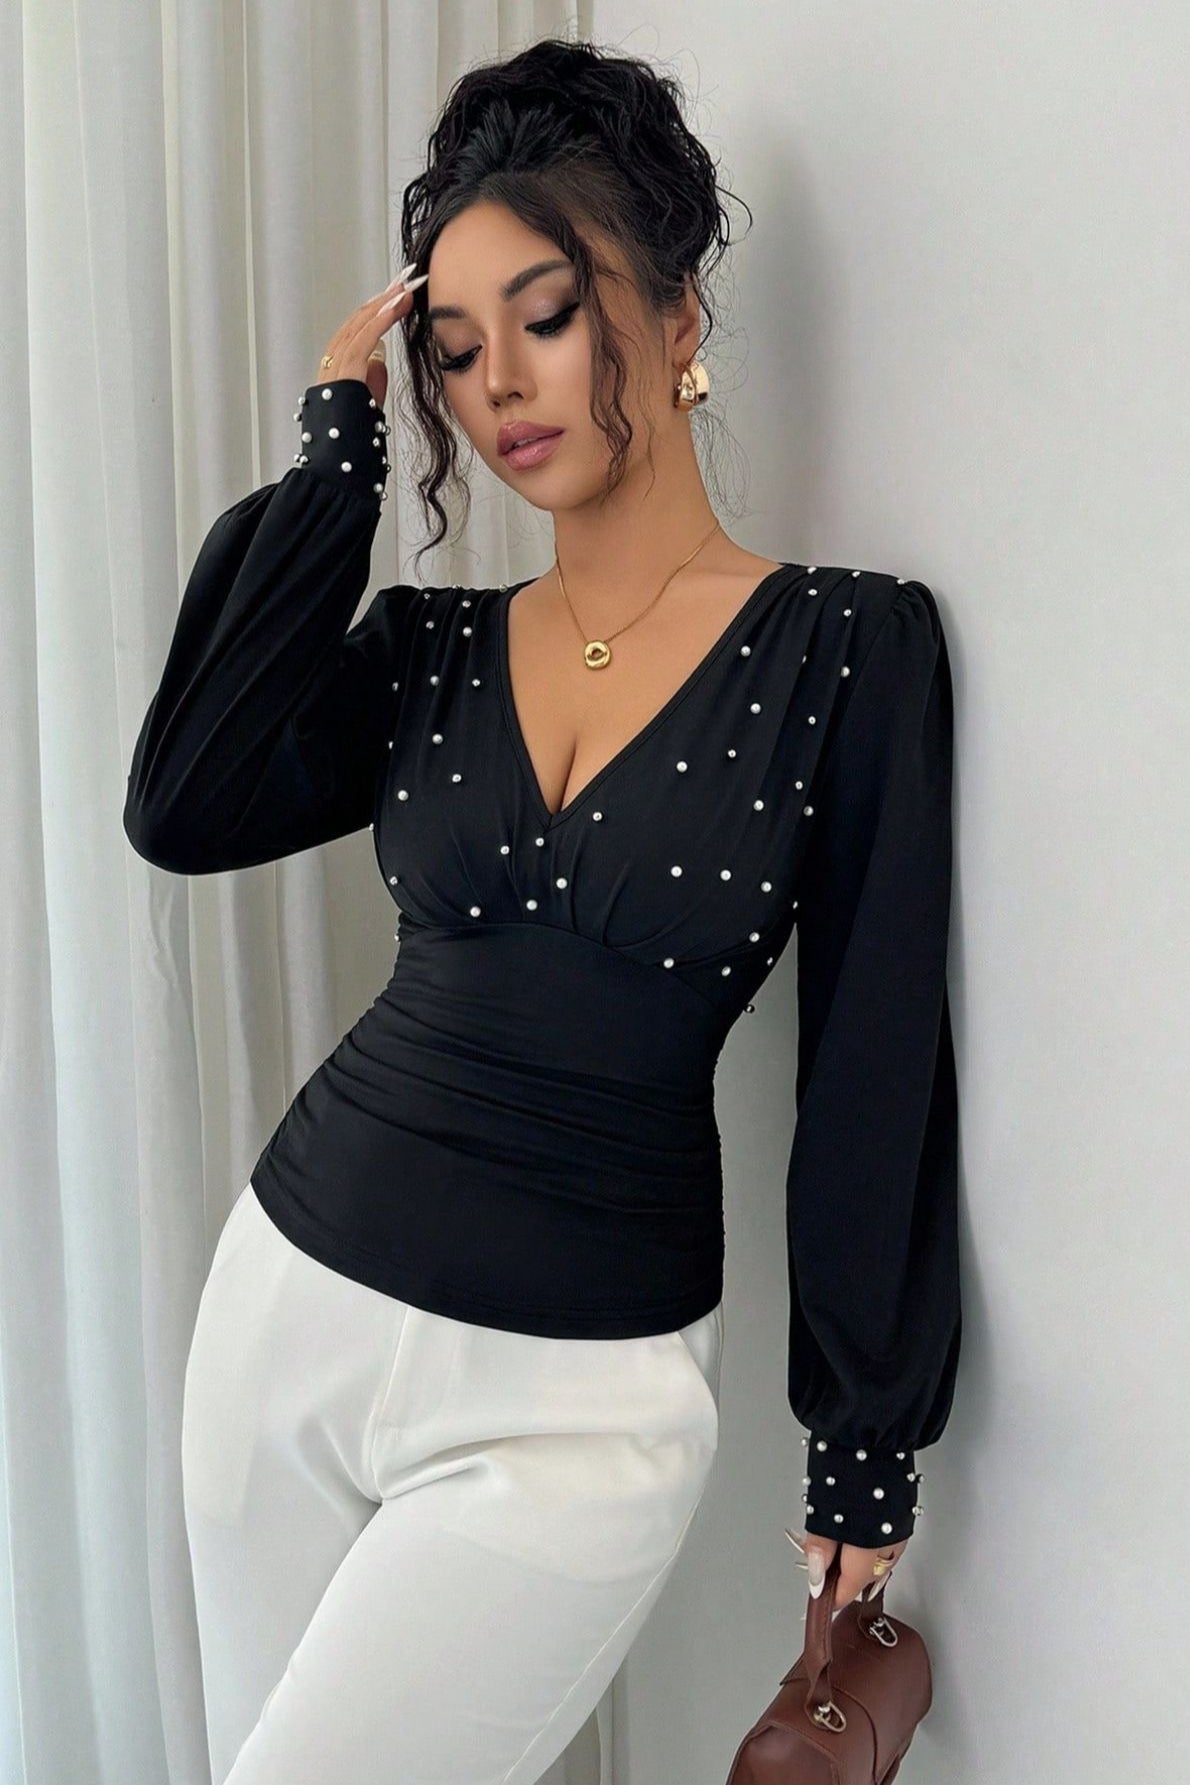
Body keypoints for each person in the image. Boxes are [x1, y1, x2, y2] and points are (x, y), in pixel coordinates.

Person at [123, 34, 961, 1785]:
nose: (497, 381)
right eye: (450, 345)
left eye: (547, 314)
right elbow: (183, 803)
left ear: (674, 311)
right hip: (288, 1316)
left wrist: (863, 1438)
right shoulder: (427, 650)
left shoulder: (845, 649)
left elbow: (873, 1056)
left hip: (580, 1398)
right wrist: (335, 462)